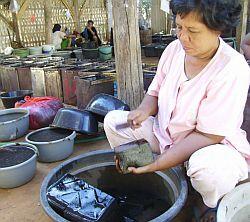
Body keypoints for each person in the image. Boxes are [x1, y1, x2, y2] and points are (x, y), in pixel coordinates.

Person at [104, 0, 250, 221]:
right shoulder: (174, 50)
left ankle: (205, 201)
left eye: (192, 30)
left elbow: (208, 134)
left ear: (218, 29)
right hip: (166, 135)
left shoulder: (232, 68)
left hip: (209, 146)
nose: (182, 37)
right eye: (179, 27)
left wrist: (158, 163)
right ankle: (169, 176)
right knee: (114, 122)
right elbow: (155, 91)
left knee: (210, 173)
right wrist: (144, 111)